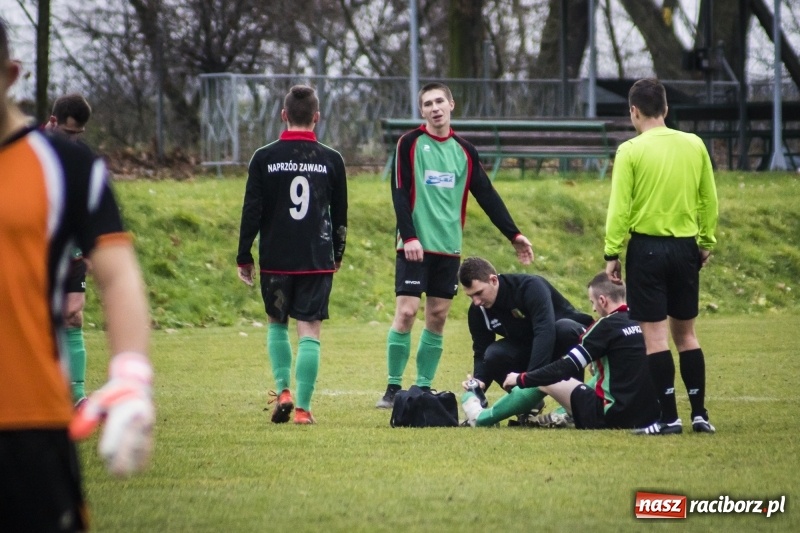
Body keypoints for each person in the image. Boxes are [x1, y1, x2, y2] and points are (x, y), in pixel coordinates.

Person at [0, 18, 154, 532]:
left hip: (28, 425)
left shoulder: (66, 166)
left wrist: (131, 379)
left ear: (10, 75)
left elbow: (119, 274)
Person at [376, 82, 534, 409]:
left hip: (447, 249)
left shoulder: (465, 151)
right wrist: (409, 236)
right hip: (414, 247)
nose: (435, 108)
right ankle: (392, 388)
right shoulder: (409, 143)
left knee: (436, 317)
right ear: (422, 110)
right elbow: (399, 192)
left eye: (440, 102)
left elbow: (486, 194)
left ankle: (422, 387)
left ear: (451, 105)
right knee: (406, 312)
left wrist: (514, 234)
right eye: (428, 103)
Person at [603, 78, 718, 435]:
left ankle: (669, 419)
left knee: (655, 339)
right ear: (666, 109)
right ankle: (700, 414)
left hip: (646, 249)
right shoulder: (694, 144)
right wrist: (705, 241)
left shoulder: (630, 150)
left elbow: (619, 207)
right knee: (687, 336)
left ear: (633, 111)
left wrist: (612, 251)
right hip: (685, 247)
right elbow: (708, 198)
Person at [237, 84, 347, 425]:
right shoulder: (331, 159)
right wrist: (337, 252)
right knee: (309, 330)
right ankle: (303, 410)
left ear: (283, 115)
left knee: (277, 323)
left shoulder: (264, 157)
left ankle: (283, 391)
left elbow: (251, 210)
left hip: (276, 259)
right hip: (316, 258)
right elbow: (340, 214)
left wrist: (244, 255)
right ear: (317, 117)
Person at [461, 272, 660, 430]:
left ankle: (482, 418)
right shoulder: (644, 323)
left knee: (546, 380)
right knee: (607, 370)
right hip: (649, 415)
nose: (592, 310)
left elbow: (564, 366)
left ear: (602, 300)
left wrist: (524, 378)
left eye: (592, 303)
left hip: (611, 416)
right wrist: (481, 379)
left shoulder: (603, 327)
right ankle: (563, 411)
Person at [45, 93, 94, 407]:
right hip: (36, 251)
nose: (74, 140)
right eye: (68, 133)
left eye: (79, 134)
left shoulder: (82, 158)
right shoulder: (27, 152)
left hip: (73, 250)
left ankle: (77, 397)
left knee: (73, 315)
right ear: (53, 122)